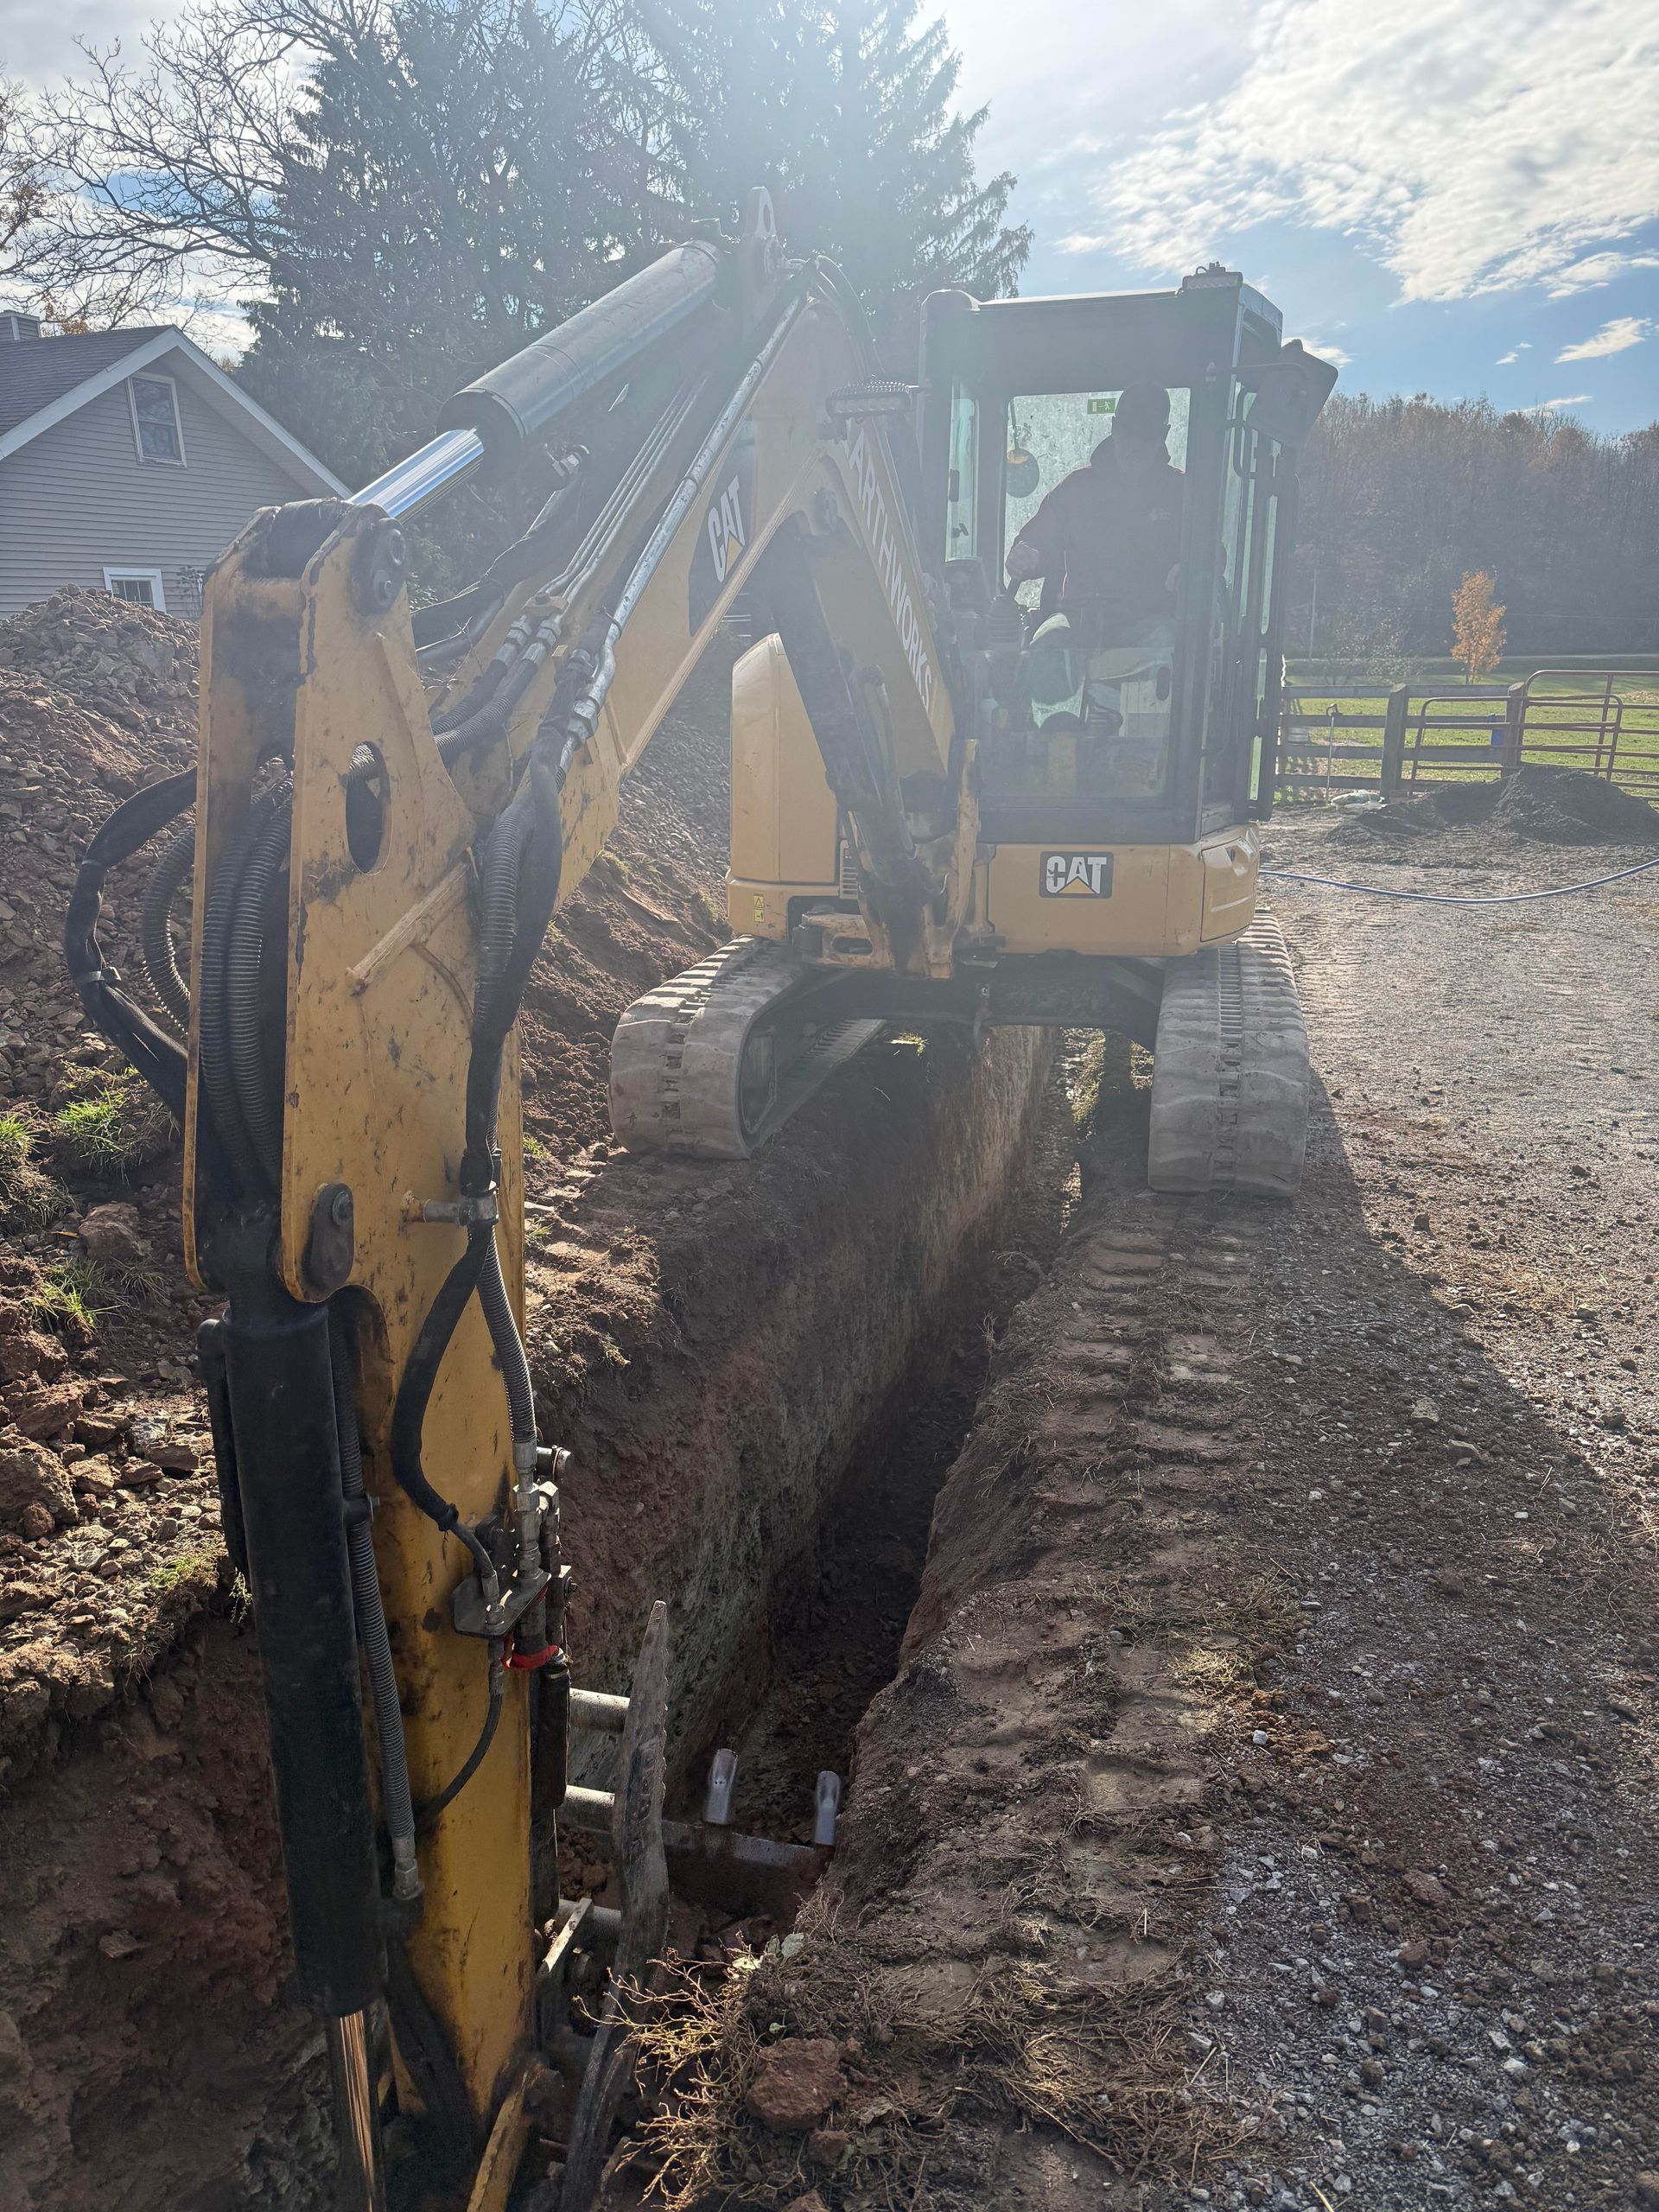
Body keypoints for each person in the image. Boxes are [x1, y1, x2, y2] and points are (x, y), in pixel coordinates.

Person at [1004, 383, 1185, 634]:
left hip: (1151, 620)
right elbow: (1036, 539)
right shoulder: (1077, 489)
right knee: (1048, 643)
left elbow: (1210, 554)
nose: (1134, 444)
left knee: (1164, 640)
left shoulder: (1180, 492)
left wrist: (1191, 568)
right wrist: (1023, 553)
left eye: (1145, 434)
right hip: (1078, 620)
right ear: (1114, 427)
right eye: (1127, 430)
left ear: (1162, 435)